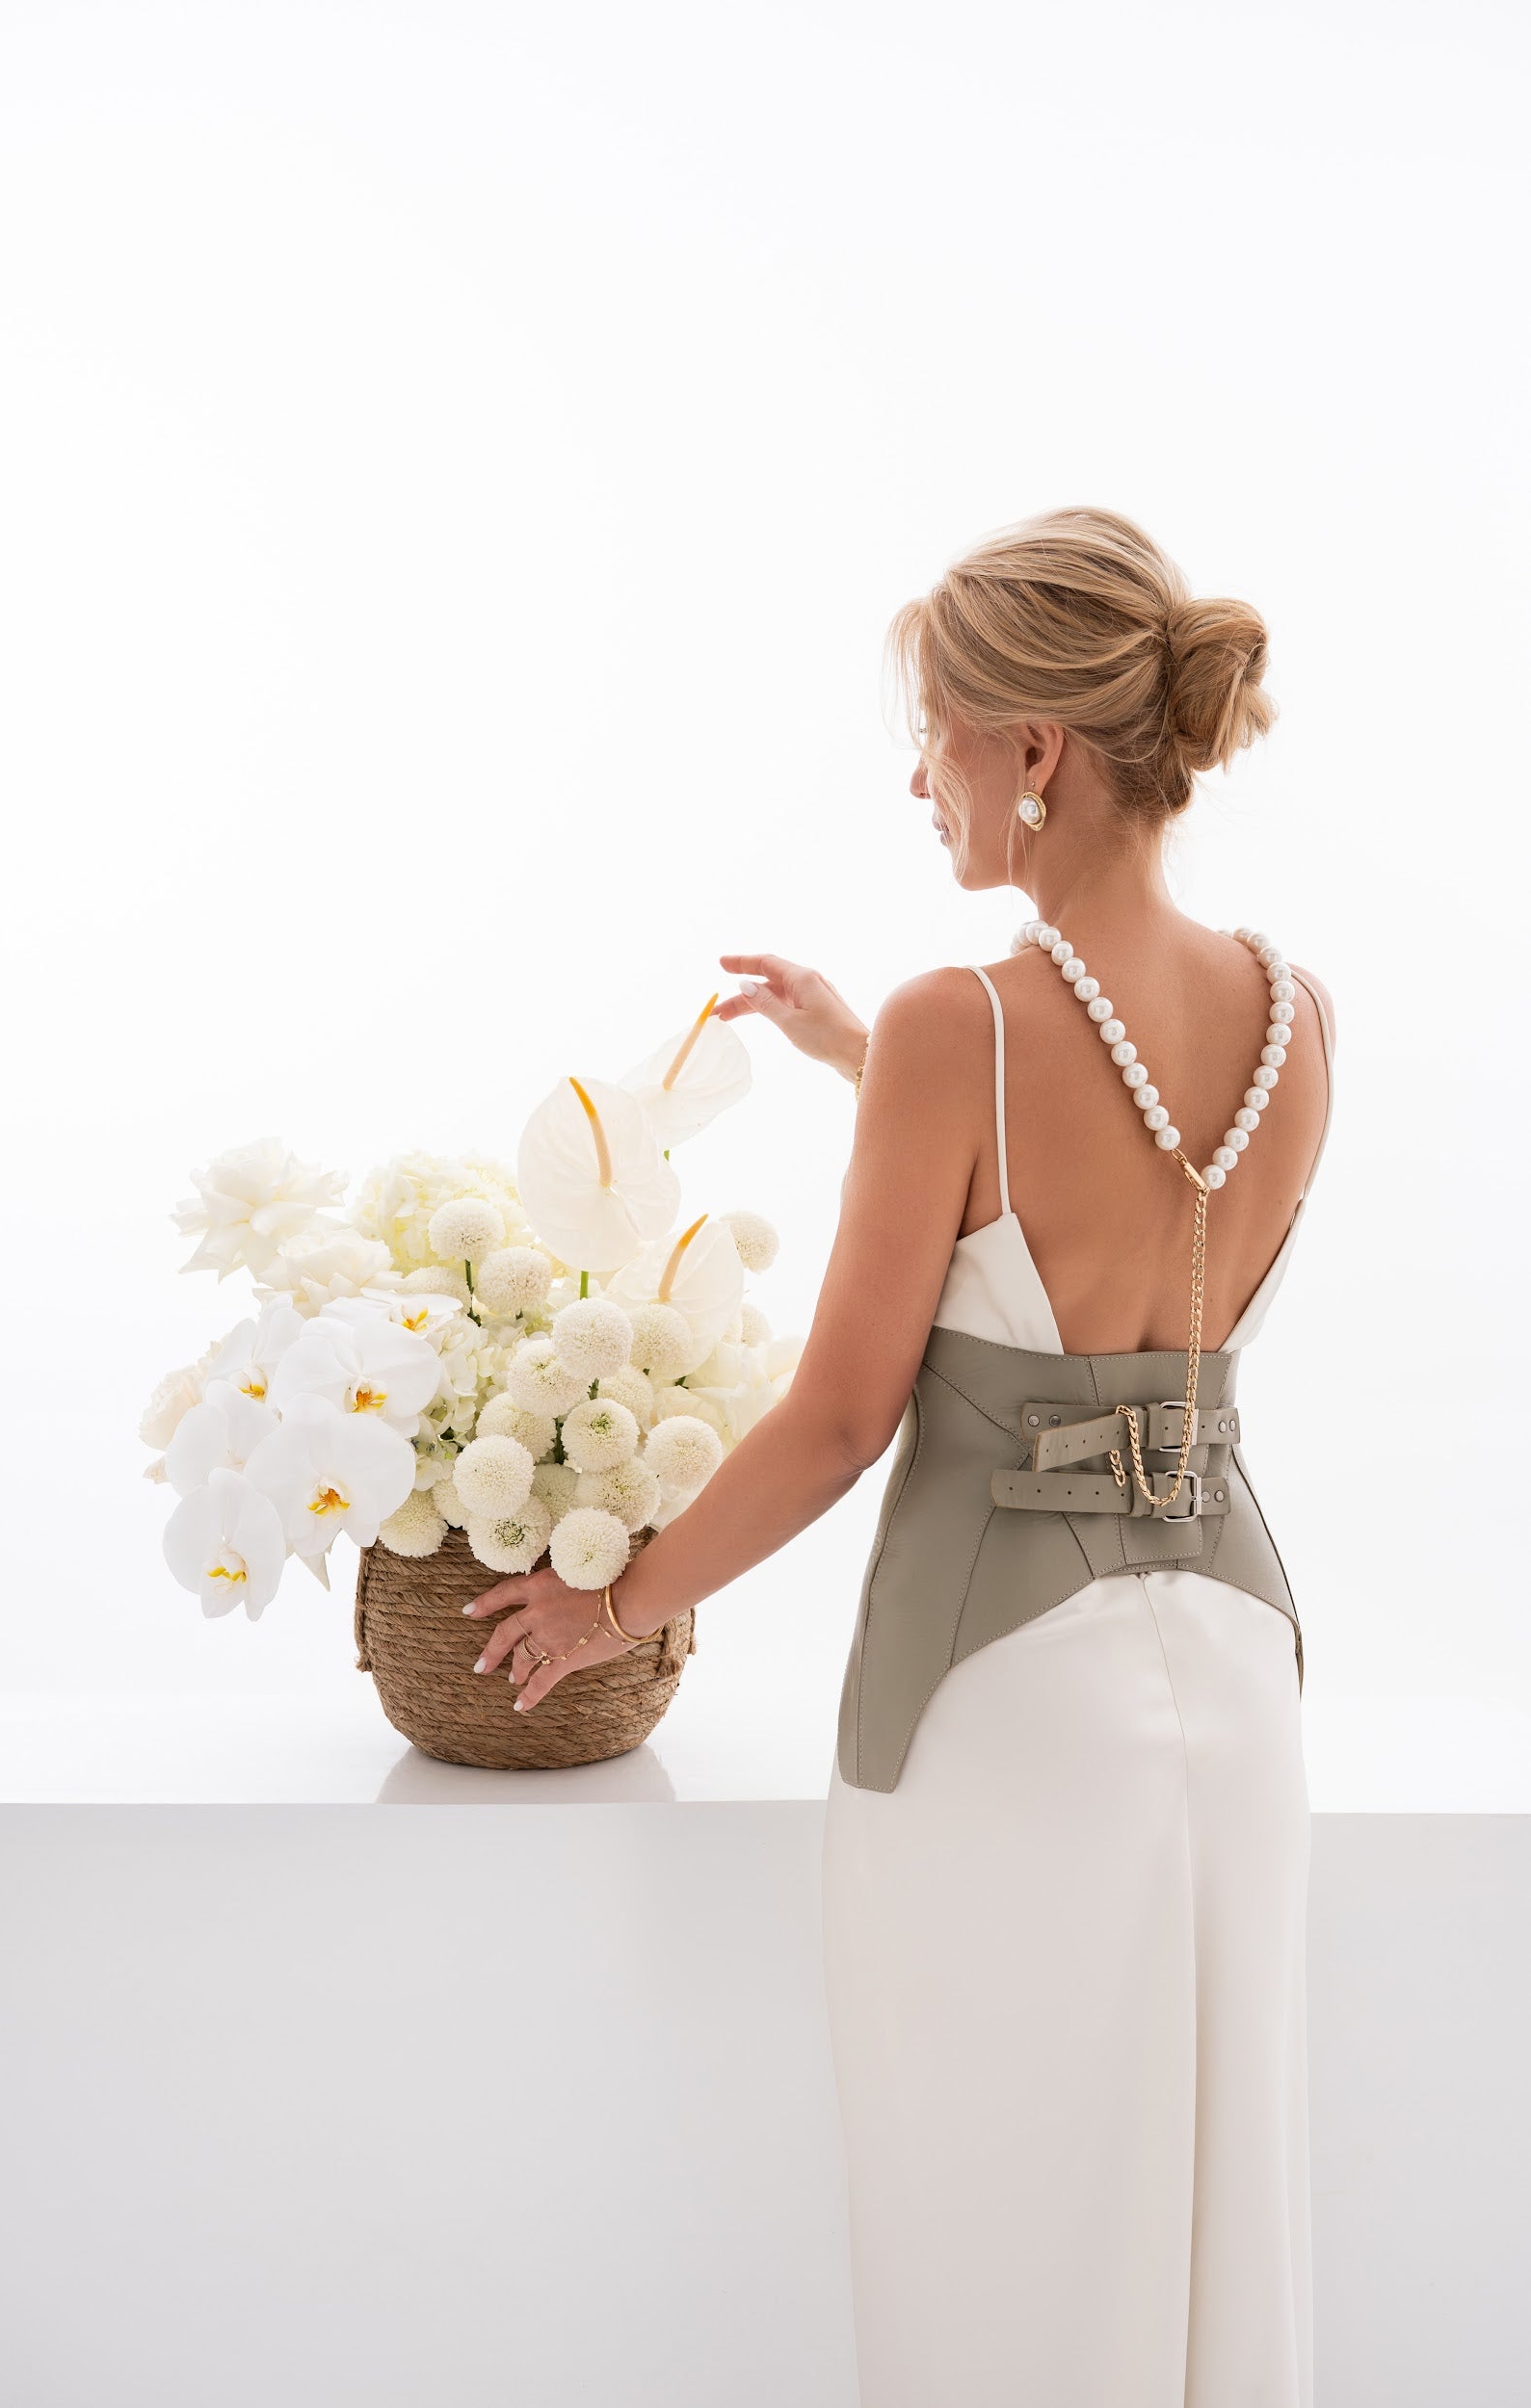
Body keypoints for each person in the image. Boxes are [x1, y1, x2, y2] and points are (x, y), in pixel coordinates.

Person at [466, 506, 1332, 2406]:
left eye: (936, 726)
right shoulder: (1294, 1014)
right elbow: (1106, 1205)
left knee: (1007, 2214)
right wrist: (871, 1060)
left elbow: (849, 1411)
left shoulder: (967, 1023)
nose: (916, 773)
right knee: (1201, 2194)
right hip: (1238, 1671)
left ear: (1036, 752)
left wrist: (621, 1599)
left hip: (1008, 1701)